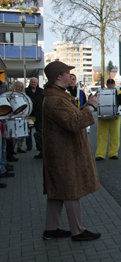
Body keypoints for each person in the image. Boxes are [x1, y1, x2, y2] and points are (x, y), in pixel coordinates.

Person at [42, 60, 102, 241]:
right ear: (59, 76)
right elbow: (74, 123)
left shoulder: (58, 96)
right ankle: (78, 231)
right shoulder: (55, 100)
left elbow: (72, 117)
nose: (71, 76)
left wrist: (86, 107)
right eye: (68, 73)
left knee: (56, 192)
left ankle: (51, 230)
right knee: (71, 191)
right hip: (64, 154)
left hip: (60, 153)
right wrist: (90, 107)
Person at [95, 79, 121, 161]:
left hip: (115, 119)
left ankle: (113, 153)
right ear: (107, 85)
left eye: (112, 84)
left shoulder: (119, 93)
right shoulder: (101, 92)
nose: (110, 86)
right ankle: (100, 154)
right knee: (101, 136)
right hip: (103, 119)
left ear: (114, 84)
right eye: (109, 84)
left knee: (115, 137)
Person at [25, 77, 44, 159]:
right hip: (29, 114)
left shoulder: (41, 91)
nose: (33, 84)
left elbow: (44, 101)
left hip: (39, 115)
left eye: (34, 82)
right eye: (32, 82)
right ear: (30, 83)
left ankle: (39, 147)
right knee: (28, 131)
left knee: (39, 132)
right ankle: (29, 146)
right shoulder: (26, 91)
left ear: (37, 83)